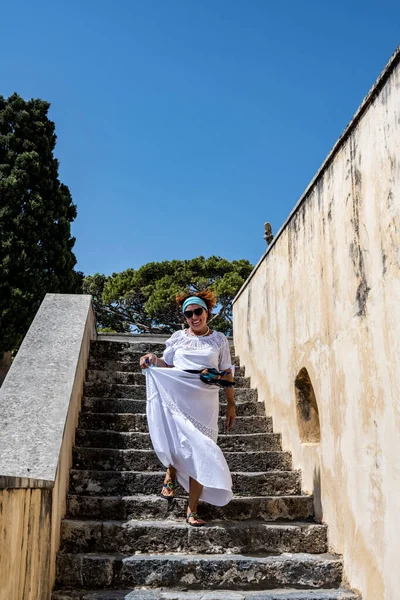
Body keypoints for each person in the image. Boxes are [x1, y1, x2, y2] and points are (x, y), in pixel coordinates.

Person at [140, 290, 236, 526]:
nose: (194, 317)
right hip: (179, 394)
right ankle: (171, 471)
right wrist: (152, 357)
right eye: (188, 314)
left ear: (207, 312)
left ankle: (192, 509)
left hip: (207, 401)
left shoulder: (220, 339)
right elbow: (166, 363)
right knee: (180, 440)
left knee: (202, 450)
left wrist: (232, 404)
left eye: (198, 312)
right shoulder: (178, 338)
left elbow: (227, 372)